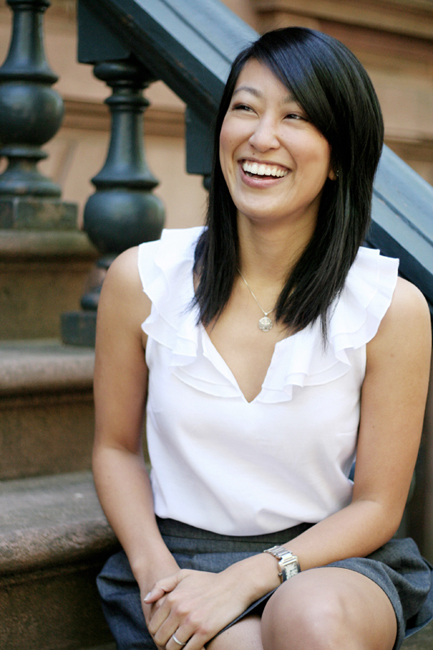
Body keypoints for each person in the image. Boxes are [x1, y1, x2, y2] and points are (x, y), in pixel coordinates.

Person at [93, 27, 433, 650]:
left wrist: (255, 575)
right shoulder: (141, 280)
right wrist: (157, 575)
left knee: (310, 618)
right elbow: (115, 449)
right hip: (183, 560)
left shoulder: (391, 308)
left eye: (295, 116)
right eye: (245, 108)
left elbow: (378, 505)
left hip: (329, 560)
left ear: (339, 156)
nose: (261, 136)